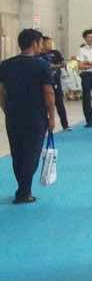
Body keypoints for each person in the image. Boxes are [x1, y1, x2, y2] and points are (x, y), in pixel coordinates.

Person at [0, 28, 57, 204]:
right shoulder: (42, 65)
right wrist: (52, 116)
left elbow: (1, 90)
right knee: (32, 152)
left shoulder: (6, 64)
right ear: (34, 43)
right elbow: (48, 93)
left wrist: (6, 108)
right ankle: (24, 191)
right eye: (40, 43)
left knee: (17, 152)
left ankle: (23, 188)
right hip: (35, 115)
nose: (42, 46)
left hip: (13, 114)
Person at [40, 36, 71, 132]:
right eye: (48, 43)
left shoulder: (55, 53)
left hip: (56, 81)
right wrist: (57, 66)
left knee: (60, 103)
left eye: (51, 43)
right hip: (44, 83)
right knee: (44, 105)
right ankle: (44, 126)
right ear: (42, 44)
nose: (50, 45)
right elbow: (47, 66)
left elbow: (63, 62)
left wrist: (62, 64)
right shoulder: (38, 55)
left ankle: (65, 125)